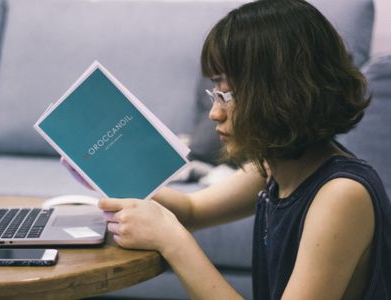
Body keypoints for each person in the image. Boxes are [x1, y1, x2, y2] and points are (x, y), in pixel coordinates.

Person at [67, 0, 391, 298]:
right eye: (215, 95)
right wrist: (111, 172)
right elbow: (193, 210)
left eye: (228, 95)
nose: (214, 114)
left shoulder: (341, 194)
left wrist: (173, 240)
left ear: (283, 93)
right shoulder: (273, 169)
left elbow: (180, 226)